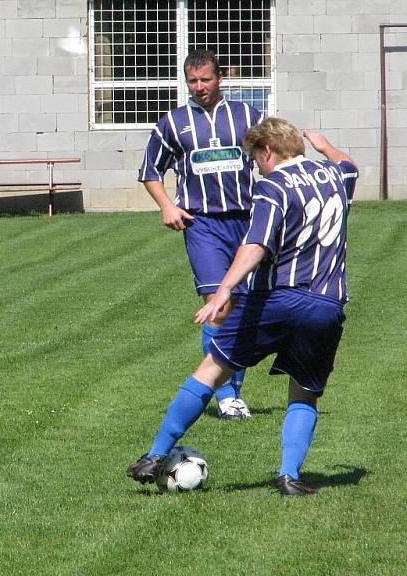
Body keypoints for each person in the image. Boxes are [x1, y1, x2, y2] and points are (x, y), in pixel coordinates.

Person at [127, 118, 358, 495]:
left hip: (275, 298)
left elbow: (255, 246)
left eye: (255, 159)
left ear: (267, 151)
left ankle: (154, 455)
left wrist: (223, 292)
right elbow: (350, 165)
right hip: (326, 305)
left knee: (211, 371)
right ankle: (289, 477)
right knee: (304, 393)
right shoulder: (334, 175)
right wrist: (325, 144)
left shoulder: (272, 185)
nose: (255, 166)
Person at [139, 49, 263, 420]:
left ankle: (229, 387)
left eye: (205, 79)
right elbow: (149, 170)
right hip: (202, 224)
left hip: (246, 220)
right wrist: (166, 205)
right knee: (218, 305)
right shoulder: (172, 123)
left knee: (240, 307)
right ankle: (225, 394)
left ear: (220, 77)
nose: (199, 87)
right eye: (192, 81)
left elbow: (273, 157)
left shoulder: (247, 116)